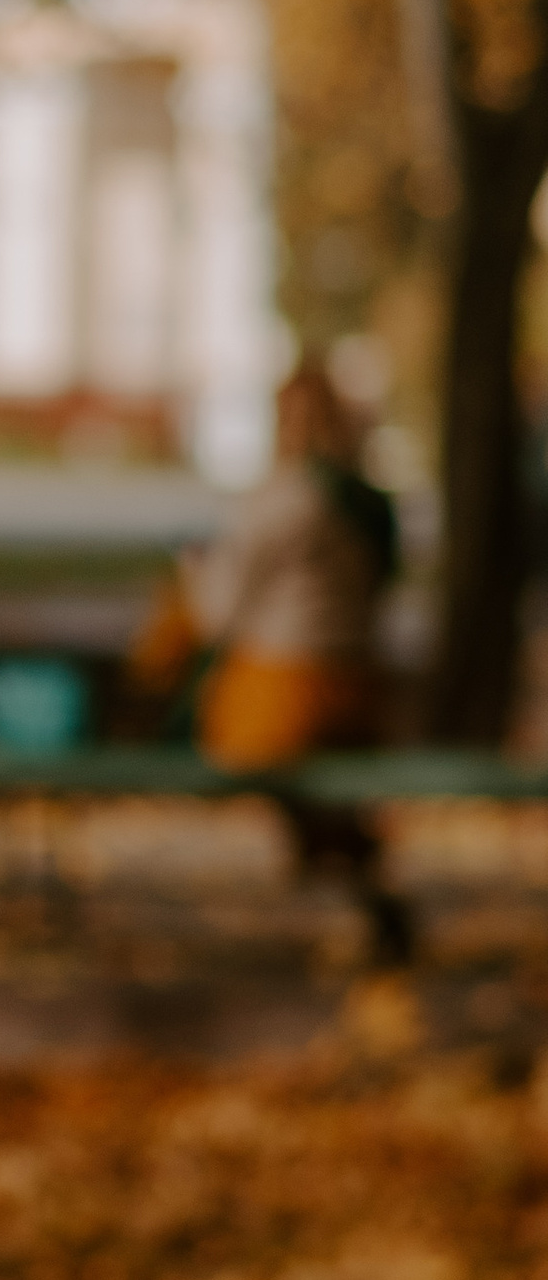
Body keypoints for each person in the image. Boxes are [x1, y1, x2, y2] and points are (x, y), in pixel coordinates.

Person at [129, 357, 406, 952]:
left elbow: (218, 615)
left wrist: (195, 571)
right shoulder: (371, 505)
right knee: (319, 792)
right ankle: (359, 879)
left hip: (283, 696)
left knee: (242, 745)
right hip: (359, 694)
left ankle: (341, 866)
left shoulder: (284, 499)